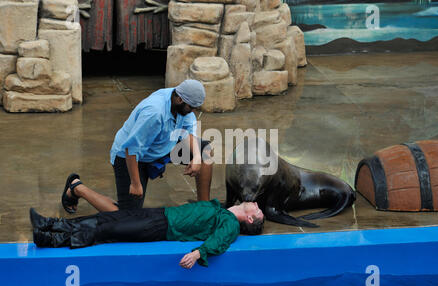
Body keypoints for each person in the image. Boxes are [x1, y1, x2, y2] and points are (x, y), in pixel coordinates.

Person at [32, 176, 265, 269]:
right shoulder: (220, 208)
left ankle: (52, 239)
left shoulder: (231, 224)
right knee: (108, 217)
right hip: (161, 215)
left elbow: (219, 241)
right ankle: (51, 223)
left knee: (108, 229)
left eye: (257, 209)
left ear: (251, 218)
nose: (255, 204)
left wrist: (197, 254)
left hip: (161, 228)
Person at [62, 79, 213, 214]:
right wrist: (135, 183)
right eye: (191, 107)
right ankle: (77, 188)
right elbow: (131, 149)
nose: (192, 111)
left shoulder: (180, 100)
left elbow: (186, 130)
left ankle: (203, 209)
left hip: (163, 144)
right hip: (131, 156)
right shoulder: (154, 113)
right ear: (179, 99)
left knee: (205, 151)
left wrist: (197, 157)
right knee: (128, 218)